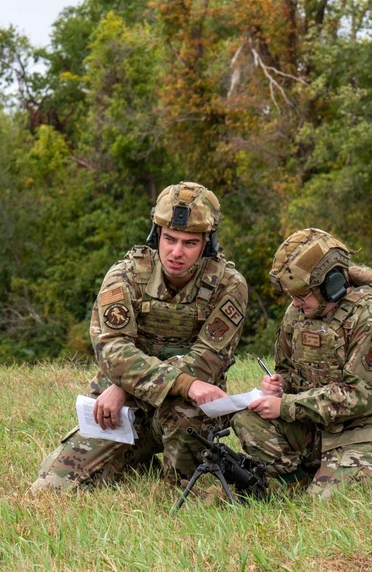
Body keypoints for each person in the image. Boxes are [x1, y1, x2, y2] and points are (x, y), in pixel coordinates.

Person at [31, 181, 249, 491]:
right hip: (119, 412)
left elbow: (206, 364)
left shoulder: (229, 286)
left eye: (190, 243)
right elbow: (112, 351)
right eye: (170, 239)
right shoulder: (126, 275)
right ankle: (138, 460)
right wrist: (126, 393)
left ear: (207, 244)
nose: (176, 252)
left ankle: (180, 476)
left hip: (184, 411)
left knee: (193, 488)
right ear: (156, 234)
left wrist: (129, 388)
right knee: (50, 488)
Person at [231, 228, 372, 499]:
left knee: (328, 506)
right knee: (247, 419)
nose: (295, 303)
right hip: (317, 427)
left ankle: (326, 483)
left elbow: (358, 395)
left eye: (302, 296)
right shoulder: (298, 312)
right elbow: (288, 369)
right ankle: (297, 481)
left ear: (332, 285)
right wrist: (280, 385)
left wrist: (286, 406)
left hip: (369, 431)